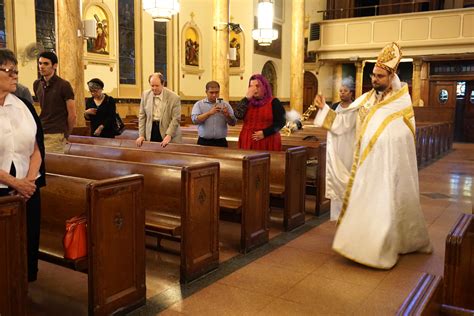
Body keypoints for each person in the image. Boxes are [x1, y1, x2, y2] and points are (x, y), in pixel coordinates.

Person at [313, 42, 432, 269]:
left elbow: (402, 136)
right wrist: (324, 110)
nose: (374, 79)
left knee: (386, 205)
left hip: (388, 167)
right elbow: (344, 121)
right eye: (373, 75)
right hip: (366, 166)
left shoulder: (401, 102)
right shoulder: (367, 98)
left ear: (391, 76)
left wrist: (382, 148)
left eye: (379, 76)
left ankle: (380, 248)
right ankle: (360, 246)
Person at [0, 48, 45, 282]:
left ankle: (23, 289)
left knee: (26, 244)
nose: (15, 75)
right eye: (9, 71)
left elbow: (37, 148)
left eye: (16, 70)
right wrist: (14, 182)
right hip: (2, 191)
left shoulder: (24, 106)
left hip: (28, 191)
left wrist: (27, 182)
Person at [324, 80, 356, 221]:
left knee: (348, 174)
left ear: (351, 93)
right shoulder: (335, 106)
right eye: (340, 91)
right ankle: (337, 214)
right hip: (336, 145)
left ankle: (351, 210)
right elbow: (329, 123)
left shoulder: (356, 107)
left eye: (345, 91)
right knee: (336, 174)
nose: (342, 93)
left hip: (349, 145)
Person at [34, 51, 76, 152]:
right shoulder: (37, 84)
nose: (42, 66)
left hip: (56, 133)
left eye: (46, 63)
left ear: (55, 65)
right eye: (40, 63)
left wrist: (66, 135)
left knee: (49, 165)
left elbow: (72, 114)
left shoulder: (64, 85)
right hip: (40, 131)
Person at [234, 74, 286, 151]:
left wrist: (265, 133)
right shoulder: (247, 102)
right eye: (251, 86)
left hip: (268, 140)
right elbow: (238, 115)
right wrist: (246, 99)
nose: (254, 89)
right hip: (247, 140)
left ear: (264, 87)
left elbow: (281, 122)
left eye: (257, 86)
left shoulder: (274, 102)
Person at [136, 72, 182, 148]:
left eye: (157, 86)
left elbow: (176, 119)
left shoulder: (174, 97)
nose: (154, 88)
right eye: (152, 86)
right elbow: (142, 116)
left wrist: (169, 135)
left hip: (168, 130)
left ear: (163, 84)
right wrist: (141, 135)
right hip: (151, 130)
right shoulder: (145, 95)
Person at [191, 81, 237, 147]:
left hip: (221, 141)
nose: (214, 95)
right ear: (206, 92)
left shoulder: (225, 104)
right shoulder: (199, 104)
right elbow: (194, 120)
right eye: (211, 92)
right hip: (204, 141)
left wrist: (227, 115)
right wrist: (209, 113)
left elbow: (233, 123)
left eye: (217, 92)